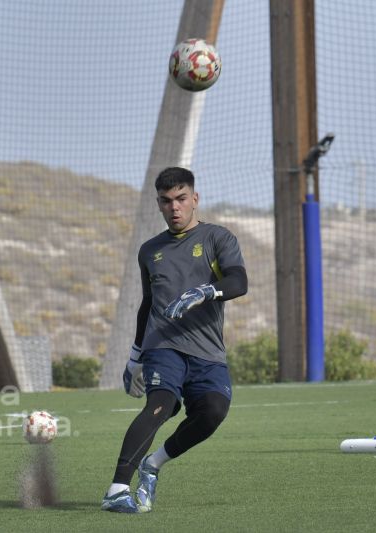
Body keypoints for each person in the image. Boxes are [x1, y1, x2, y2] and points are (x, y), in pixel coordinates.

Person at [101, 166, 248, 514]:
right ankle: (117, 489)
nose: (175, 207)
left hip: (207, 350)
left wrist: (207, 291)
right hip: (162, 345)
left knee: (213, 412)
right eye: (166, 202)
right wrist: (136, 356)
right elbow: (148, 304)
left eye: (181, 199)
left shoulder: (218, 238)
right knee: (161, 404)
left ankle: (152, 464)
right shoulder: (149, 250)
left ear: (194, 199)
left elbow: (239, 281)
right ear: (159, 204)